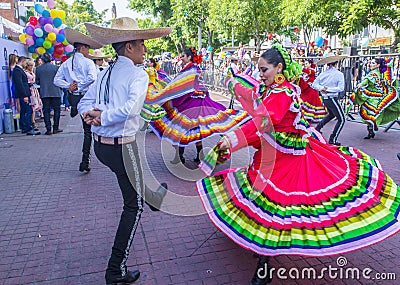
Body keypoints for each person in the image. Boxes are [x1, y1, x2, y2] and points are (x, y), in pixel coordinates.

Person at [196, 44, 400, 285]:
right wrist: (234, 86)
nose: (261, 74)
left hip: (287, 162)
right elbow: (254, 103)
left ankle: (264, 266)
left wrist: (231, 140)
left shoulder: (282, 94)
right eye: (259, 70)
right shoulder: (273, 90)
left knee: (274, 209)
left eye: (264, 69)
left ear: (279, 67)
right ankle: (262, 256)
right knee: (261, 203)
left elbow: (263, 122)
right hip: (269, 156)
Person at [82, 17, 171, 285]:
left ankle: (154, 197)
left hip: (102, 147)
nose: (145, 49)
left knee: (130, 175)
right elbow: (131, 110)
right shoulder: (137, 74)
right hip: (122, 145)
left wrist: (91, 114)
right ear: (129, 46)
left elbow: (86, 101)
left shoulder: (104, 73)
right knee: (133, 206)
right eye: (142, 44)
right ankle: (115, 270)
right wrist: (102, 115)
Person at [145, 46, 249, 164]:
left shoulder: (191, 69)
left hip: (193, 102)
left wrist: (165, 95)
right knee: (193, 128)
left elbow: (181, 86)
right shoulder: (191, 68)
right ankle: (192, 156)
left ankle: (182, 156)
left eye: (183, 56)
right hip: (194, 100)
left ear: (189, 57)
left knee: (184, 128)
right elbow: (181, 85)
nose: (181, 58)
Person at [54, 28, 101, 172]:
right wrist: (78, 85)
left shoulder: (66, 63)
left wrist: (70, 86)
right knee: (88, 130)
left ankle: (74, 108)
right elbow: (93, 78)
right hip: (86, 97)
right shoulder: (88, 63)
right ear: (83, 48)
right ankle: (85, 160)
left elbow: (56, 80)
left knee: (86, 129)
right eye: (88, 48)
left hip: (74, 96)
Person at [350, 57, 400, 139]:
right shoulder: (380, 73)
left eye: (373, 63)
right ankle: (371, 130)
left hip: (374, 98)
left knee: (370, 114)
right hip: (376, 97)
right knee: (373, 115)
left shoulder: (373, 74)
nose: (370, 64)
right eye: (371, 63)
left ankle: (371, 131)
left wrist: (360, 85)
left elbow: (366, 81)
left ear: (378, 65)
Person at [312, 55, 346, 145]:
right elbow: (341, 88)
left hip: (325, 98)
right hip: (332, 97)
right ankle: (333, 139)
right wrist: (327, 89)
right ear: (336, 63)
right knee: (342, 119)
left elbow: (314, 84)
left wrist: (322, 88)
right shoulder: (339, 74)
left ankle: (318, 128)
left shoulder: (323, 73)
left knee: (331, 115)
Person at [12, 56, 41, 136]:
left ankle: (24, 127)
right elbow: (19, 84)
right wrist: (24, 95)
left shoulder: (18, 70)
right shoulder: (17, 70)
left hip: (24, 92)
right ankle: (28, 128)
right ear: (23, 61)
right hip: (23, 94)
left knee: (24, 111)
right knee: (28, 110)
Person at [35, 53, 63, 135]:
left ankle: (48, 129)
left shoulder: (39, 69)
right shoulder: (56, 68)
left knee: (46, 111)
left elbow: (37, 81)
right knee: (57, 110)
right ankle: (55, 127)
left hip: (45, 92)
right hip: (56, 92)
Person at [297, 59, 326, 123]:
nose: (305, 65)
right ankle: (305, 116)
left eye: (307, 64)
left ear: (310, 64)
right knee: (304, 100)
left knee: (310, 102)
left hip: (311, 90)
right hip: (307, 89)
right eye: (305, 64)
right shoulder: (306, 72)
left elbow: (308, 72)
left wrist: (299, 67)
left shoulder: (312, 71)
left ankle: (310, 116)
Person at [24, 59, 43, 131]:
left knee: (35, 105)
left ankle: (33, 121)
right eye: (30, 65)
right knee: (33, 106)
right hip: (30, 90)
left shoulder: (32, 72)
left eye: (32, 65)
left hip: (34, 89)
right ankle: (32, 122)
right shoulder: (25, 73)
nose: (32, 67)